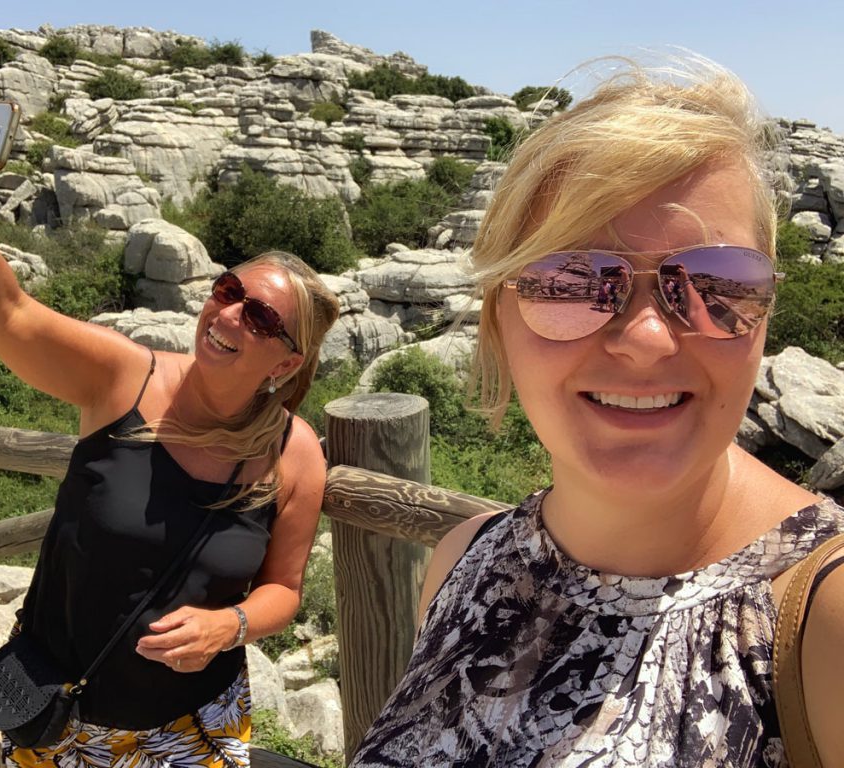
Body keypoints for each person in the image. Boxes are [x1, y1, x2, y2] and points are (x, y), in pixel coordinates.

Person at [351, 58, 844, 767]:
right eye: (570, 281)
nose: (646, 339)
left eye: (717, 282)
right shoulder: (464, 559)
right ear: (499, 319)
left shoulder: (822, 623)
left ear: (765, 313)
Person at [0, 88, 340, 767]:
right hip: (60, 720)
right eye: (229, 291)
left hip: (193, 727)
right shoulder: (126, 380)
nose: (229, 315)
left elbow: (283, 590)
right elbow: (7, 314)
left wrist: (226, 626)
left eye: (260, 318)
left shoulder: (292, 453)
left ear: (286, 362)